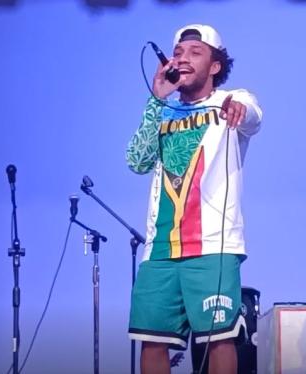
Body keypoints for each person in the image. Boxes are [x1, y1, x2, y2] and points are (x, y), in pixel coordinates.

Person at [126, 24, 262, 374]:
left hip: (213, 245)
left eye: (194, 52)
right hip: (160, 248)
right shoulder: (163, 111)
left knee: (219, 338)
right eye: (179, 52)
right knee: (153, 340)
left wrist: (240, 108)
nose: (183, 58)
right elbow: (137, 161)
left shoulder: (230, 101)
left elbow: (252, 115)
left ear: (215, 66)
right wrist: (156, 98)